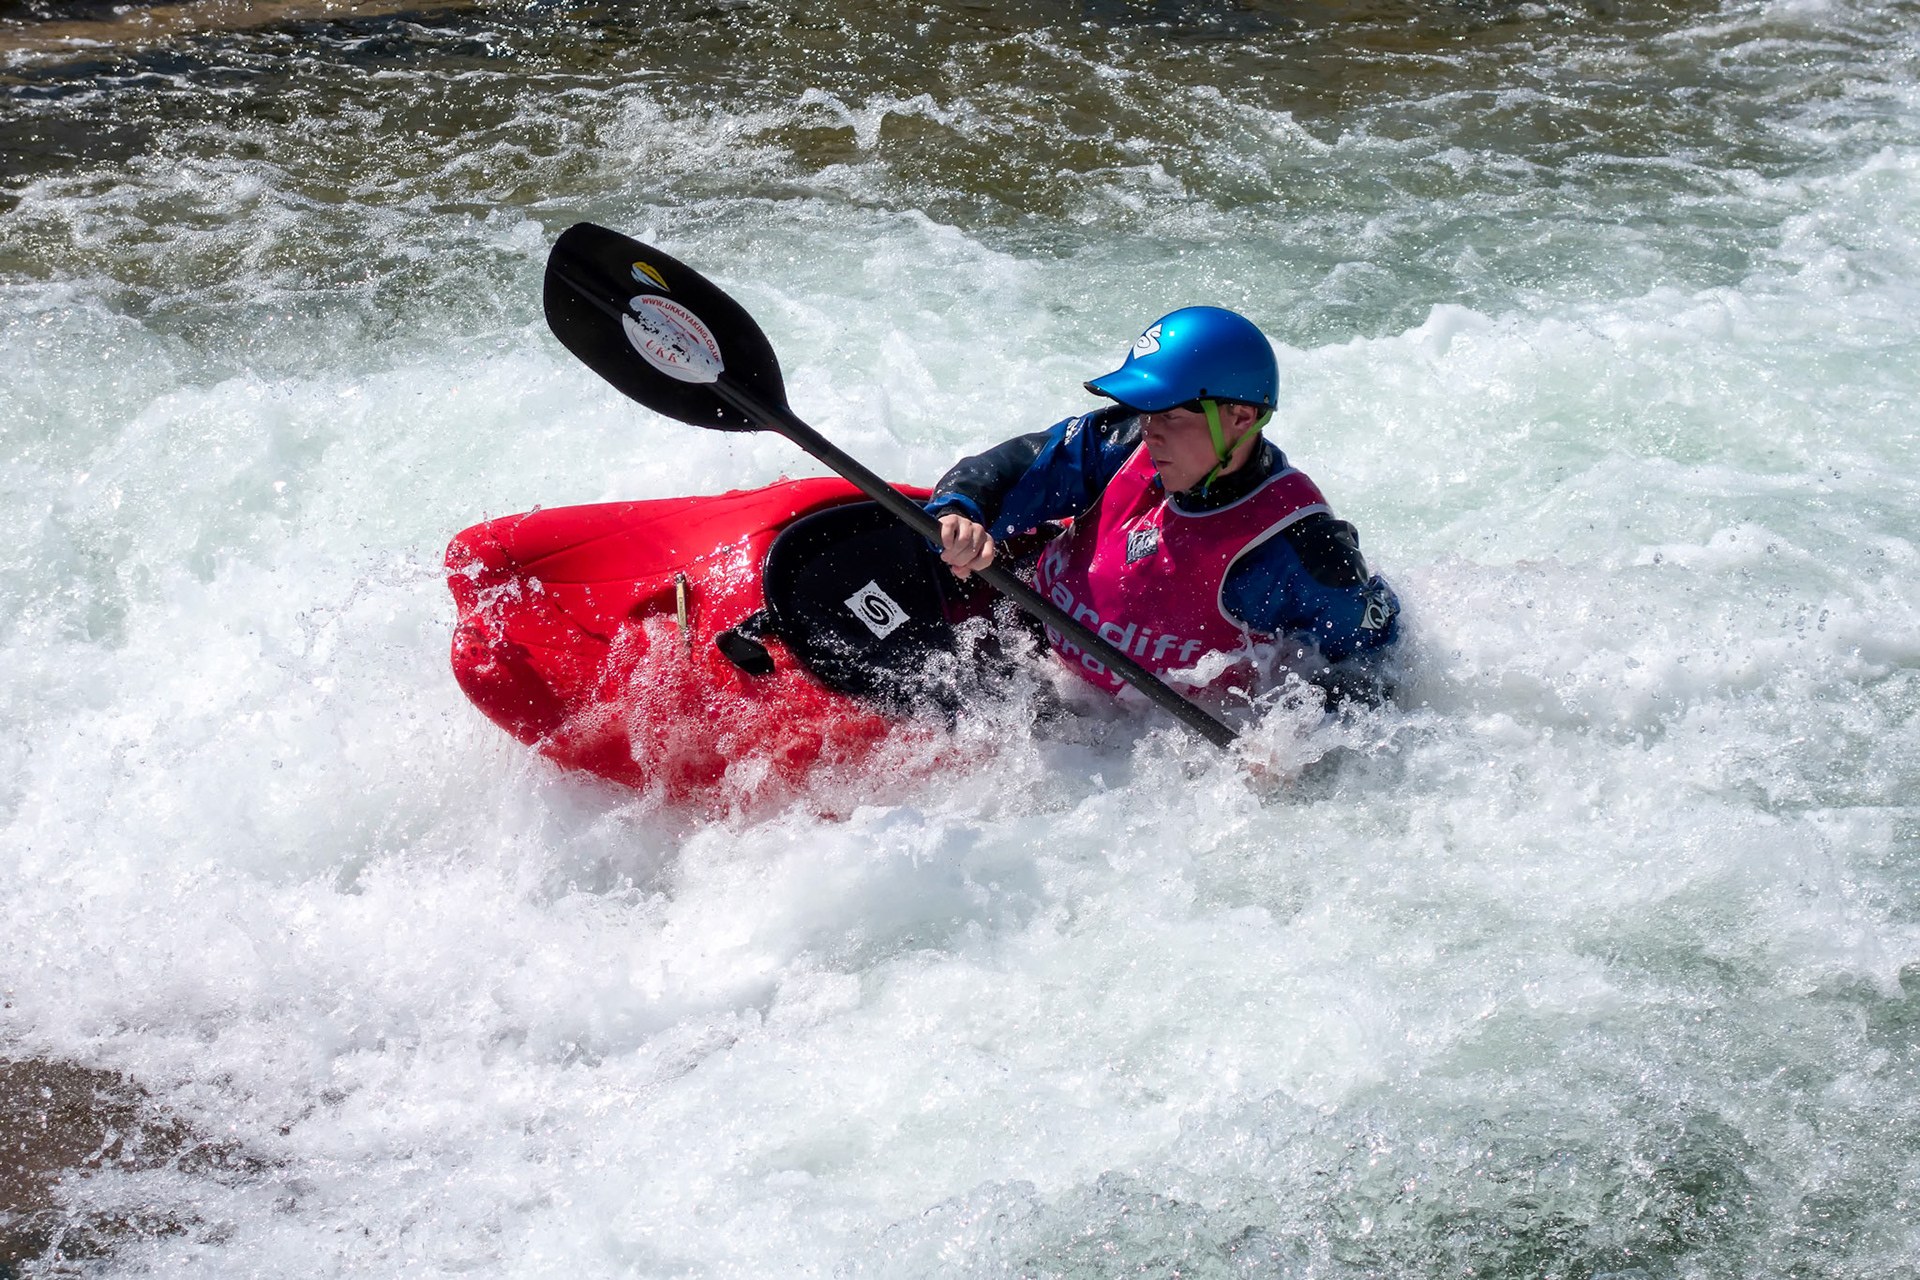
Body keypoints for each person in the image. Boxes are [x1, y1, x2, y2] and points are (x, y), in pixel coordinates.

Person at [927, 306, 1400, 706]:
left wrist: (1289, 740)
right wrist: (960, 512)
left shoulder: (1300, 549)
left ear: (1240, 417)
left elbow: (1372, 673)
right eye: (1148, 410)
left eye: (1171, 414)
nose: (1151, 429)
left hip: (1137, 737)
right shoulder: (1121, 443)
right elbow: (1013, 468)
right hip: (1027, 644)